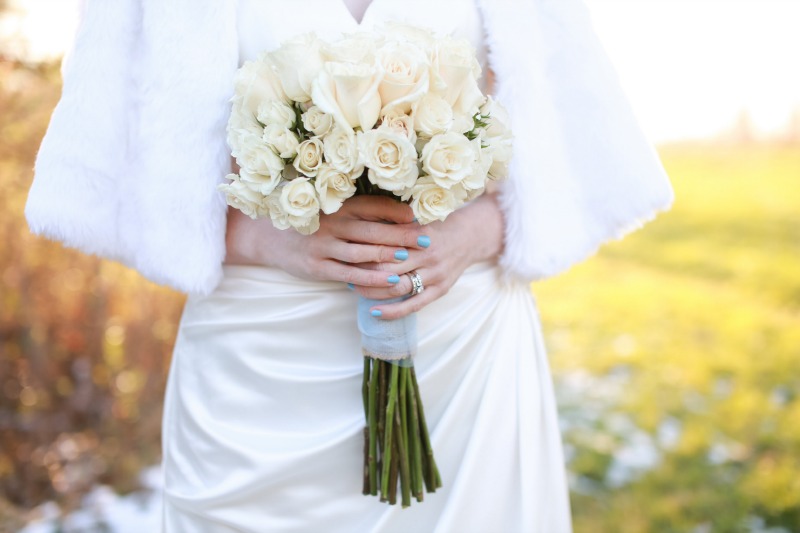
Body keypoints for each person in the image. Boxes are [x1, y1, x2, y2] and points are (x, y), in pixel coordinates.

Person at [25, 0, 674, 531]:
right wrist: (271, 240)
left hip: (461, 359)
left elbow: (565, 154)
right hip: (259, 373)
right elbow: (125, 177)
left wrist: (473, 233)